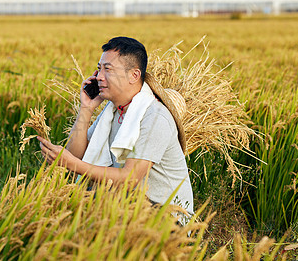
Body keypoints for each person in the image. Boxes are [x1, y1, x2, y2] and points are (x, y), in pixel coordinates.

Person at [37, 36, 193, 216]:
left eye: (108, 69)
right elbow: (77, 154)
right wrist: (86, 109)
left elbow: (130, 178)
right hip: (127, 204)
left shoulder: (155, 117)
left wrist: (73, 164)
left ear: (134, 75)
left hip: (164, 214)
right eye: (99, 69)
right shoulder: (113, 111)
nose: (99, 77)